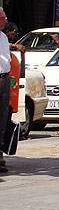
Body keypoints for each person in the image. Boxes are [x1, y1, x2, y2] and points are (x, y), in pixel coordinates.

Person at [0, 9, 11, 171]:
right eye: (3, 18)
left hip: (4, 78)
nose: (6, 20)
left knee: (2, 117)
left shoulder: (3, 36)